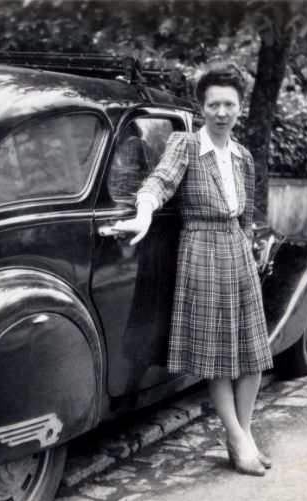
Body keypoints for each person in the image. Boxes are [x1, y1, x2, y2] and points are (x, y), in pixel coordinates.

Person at [113, 66, 273, 476]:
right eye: (214, 104)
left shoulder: (243, 155)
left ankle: (244, 433)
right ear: (202, 107)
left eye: (230, 104)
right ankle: (237, 440)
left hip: (237, 252)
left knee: (253, 355)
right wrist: (144, 213)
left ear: (240, 108)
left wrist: (251, 249)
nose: (222, 112)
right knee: (217, 357)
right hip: (200, 252)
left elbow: (248, 214)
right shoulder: (185, 144)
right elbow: (159, 182)